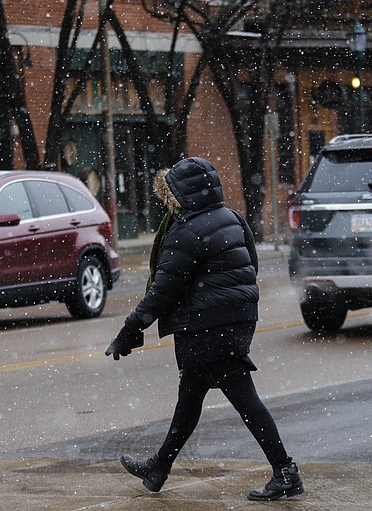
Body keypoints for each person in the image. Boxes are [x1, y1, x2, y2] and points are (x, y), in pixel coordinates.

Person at [105, 157, 303, 501]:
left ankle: (285, 471)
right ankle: (159, 467)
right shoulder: (232, 217)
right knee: (191, 397)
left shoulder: (187, 231)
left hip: (209, 326)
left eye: (171, 194)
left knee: (245, 399)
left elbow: (163, 289)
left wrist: (130, 328)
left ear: (183, 193)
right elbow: (250, 265)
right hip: (235, 318)